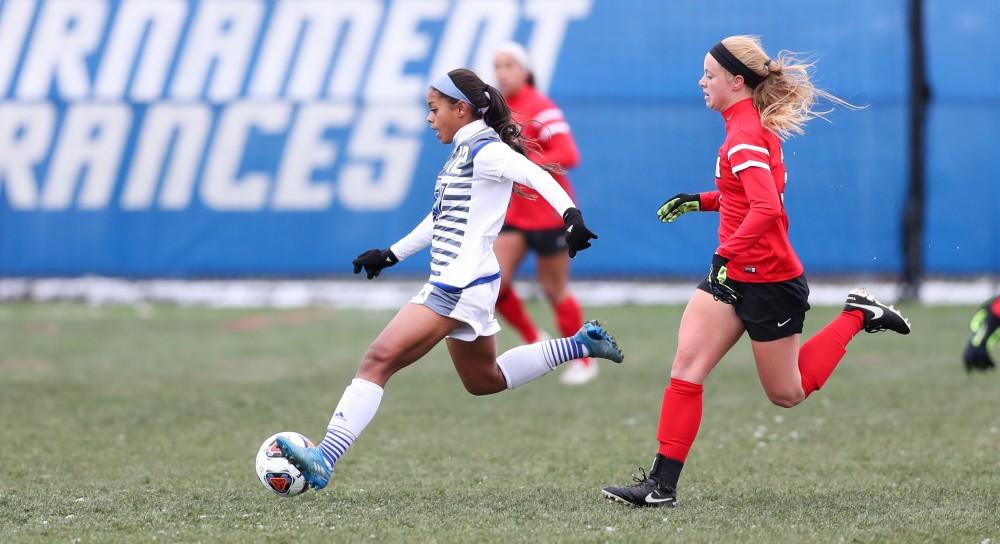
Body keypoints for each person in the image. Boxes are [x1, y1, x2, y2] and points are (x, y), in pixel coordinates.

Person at [274, 68, 624, 491]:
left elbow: (534, 173)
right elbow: (440, 218)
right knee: (484, 381)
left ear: (462, 109)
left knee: (376, 361)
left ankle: (325, 456)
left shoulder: (485, 150)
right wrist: (391, 254)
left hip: (457, 285)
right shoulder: (463, 151)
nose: (428, 118)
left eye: (434, 108)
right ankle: (579, 344)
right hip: (468, 283)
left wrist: (571, 218)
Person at [601, 35, 911, 508]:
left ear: (736, 81)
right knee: (686, 368)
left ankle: (857, 314)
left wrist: (723, 256)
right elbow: (746, 198)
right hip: (734, 274)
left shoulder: (745, 134)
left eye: (709, 74)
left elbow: (766, 210)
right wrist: (699, 201)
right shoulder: (744, 127)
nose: (701, 81)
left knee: (786, 394)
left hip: (769, 281)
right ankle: (660, 486)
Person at [492, 42, 596, 385]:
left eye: (509, 65)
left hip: (550, 213)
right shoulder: (496, 110)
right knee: (493, 282)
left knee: (554, 289)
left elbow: (568, 153)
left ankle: (582, 358)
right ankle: (534, 339)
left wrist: (523, 166)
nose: (502, 73)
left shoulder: (541, 106)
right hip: (515, 213)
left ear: (526, 71)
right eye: (498, 66)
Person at [963, 295, 999, 371]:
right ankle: (973, 355)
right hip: (994, 314)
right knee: (982, 339)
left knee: (984, 339)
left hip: (994, 313)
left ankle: (974, 355)